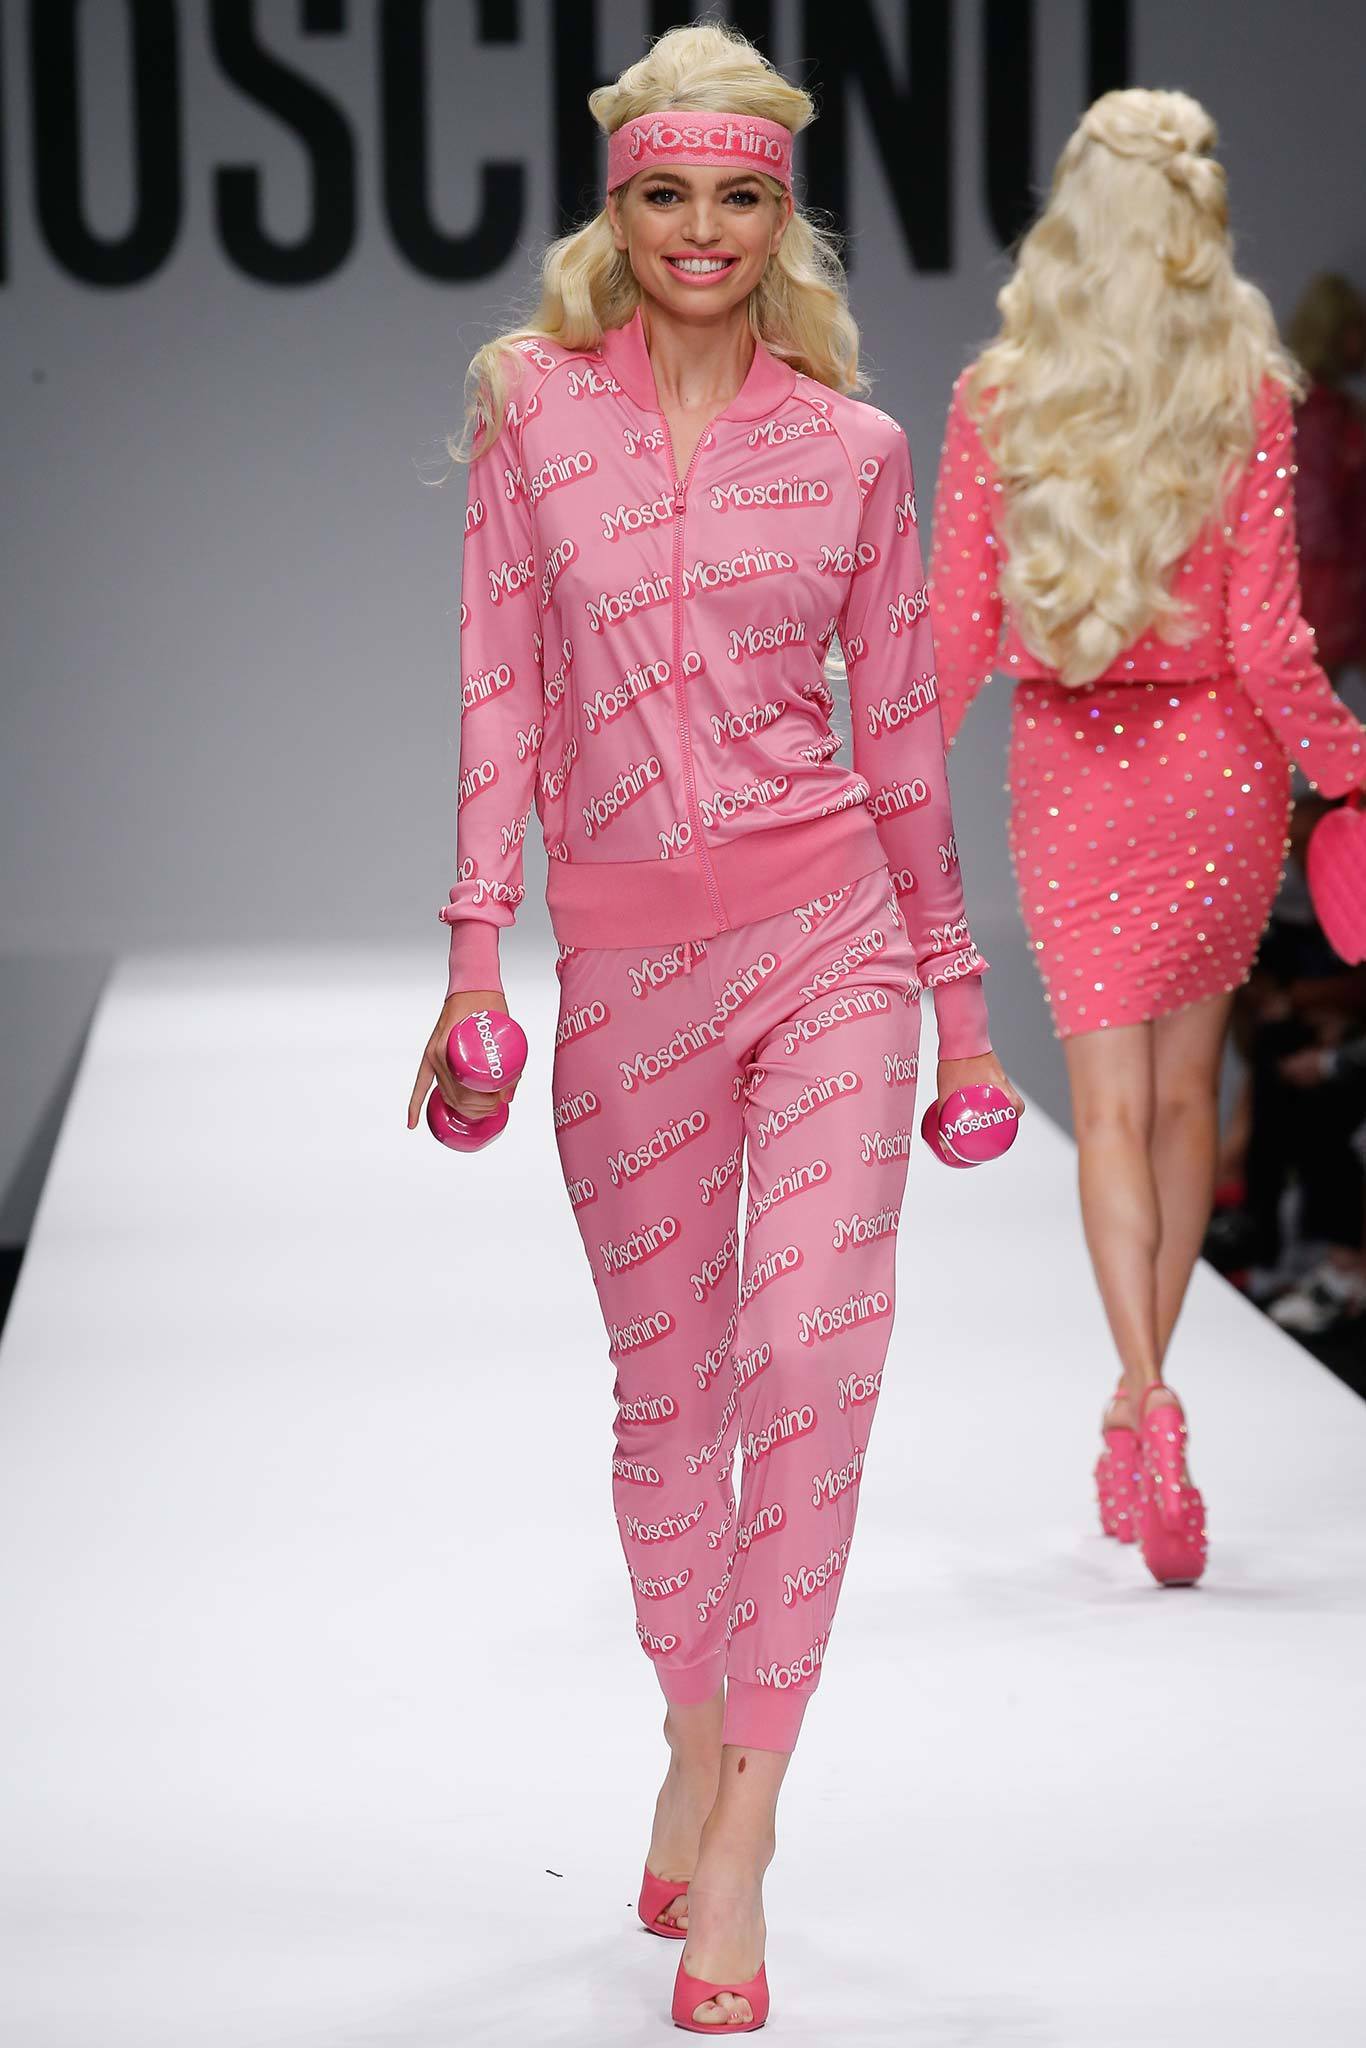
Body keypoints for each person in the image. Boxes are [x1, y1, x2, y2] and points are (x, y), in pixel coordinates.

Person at [405, 21, 1020, 2037]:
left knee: (808, 1362)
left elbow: (899, 742)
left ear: (781, 215)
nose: (698, 229)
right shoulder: (530, 407)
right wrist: (472, 958)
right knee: (667, 1400)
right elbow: (498, 685)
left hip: (831, 939)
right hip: (625, 969)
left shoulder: (852, 450)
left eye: (737, 196)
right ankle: (691, 1731)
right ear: (618, 204)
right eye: (664, 192)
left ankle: (744, 1822)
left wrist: (959, 1010)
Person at [928, 88, 1366, 1588]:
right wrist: (1348, 766)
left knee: (1108, 1111)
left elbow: (950, 633)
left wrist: (877, 778)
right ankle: (1141, 1396)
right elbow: (1270, 639)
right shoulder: (1242, 390)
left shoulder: (999, 394)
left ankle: (1146, 1394)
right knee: (1188, 1100)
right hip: (1216, 770)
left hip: (1072, 769)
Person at [1284, 273, 1366, 683]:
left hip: (1332, 570)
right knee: (1314, 691)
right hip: (1326, 577)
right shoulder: (1316, 415)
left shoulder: (1333, 411)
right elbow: (1315, 516)